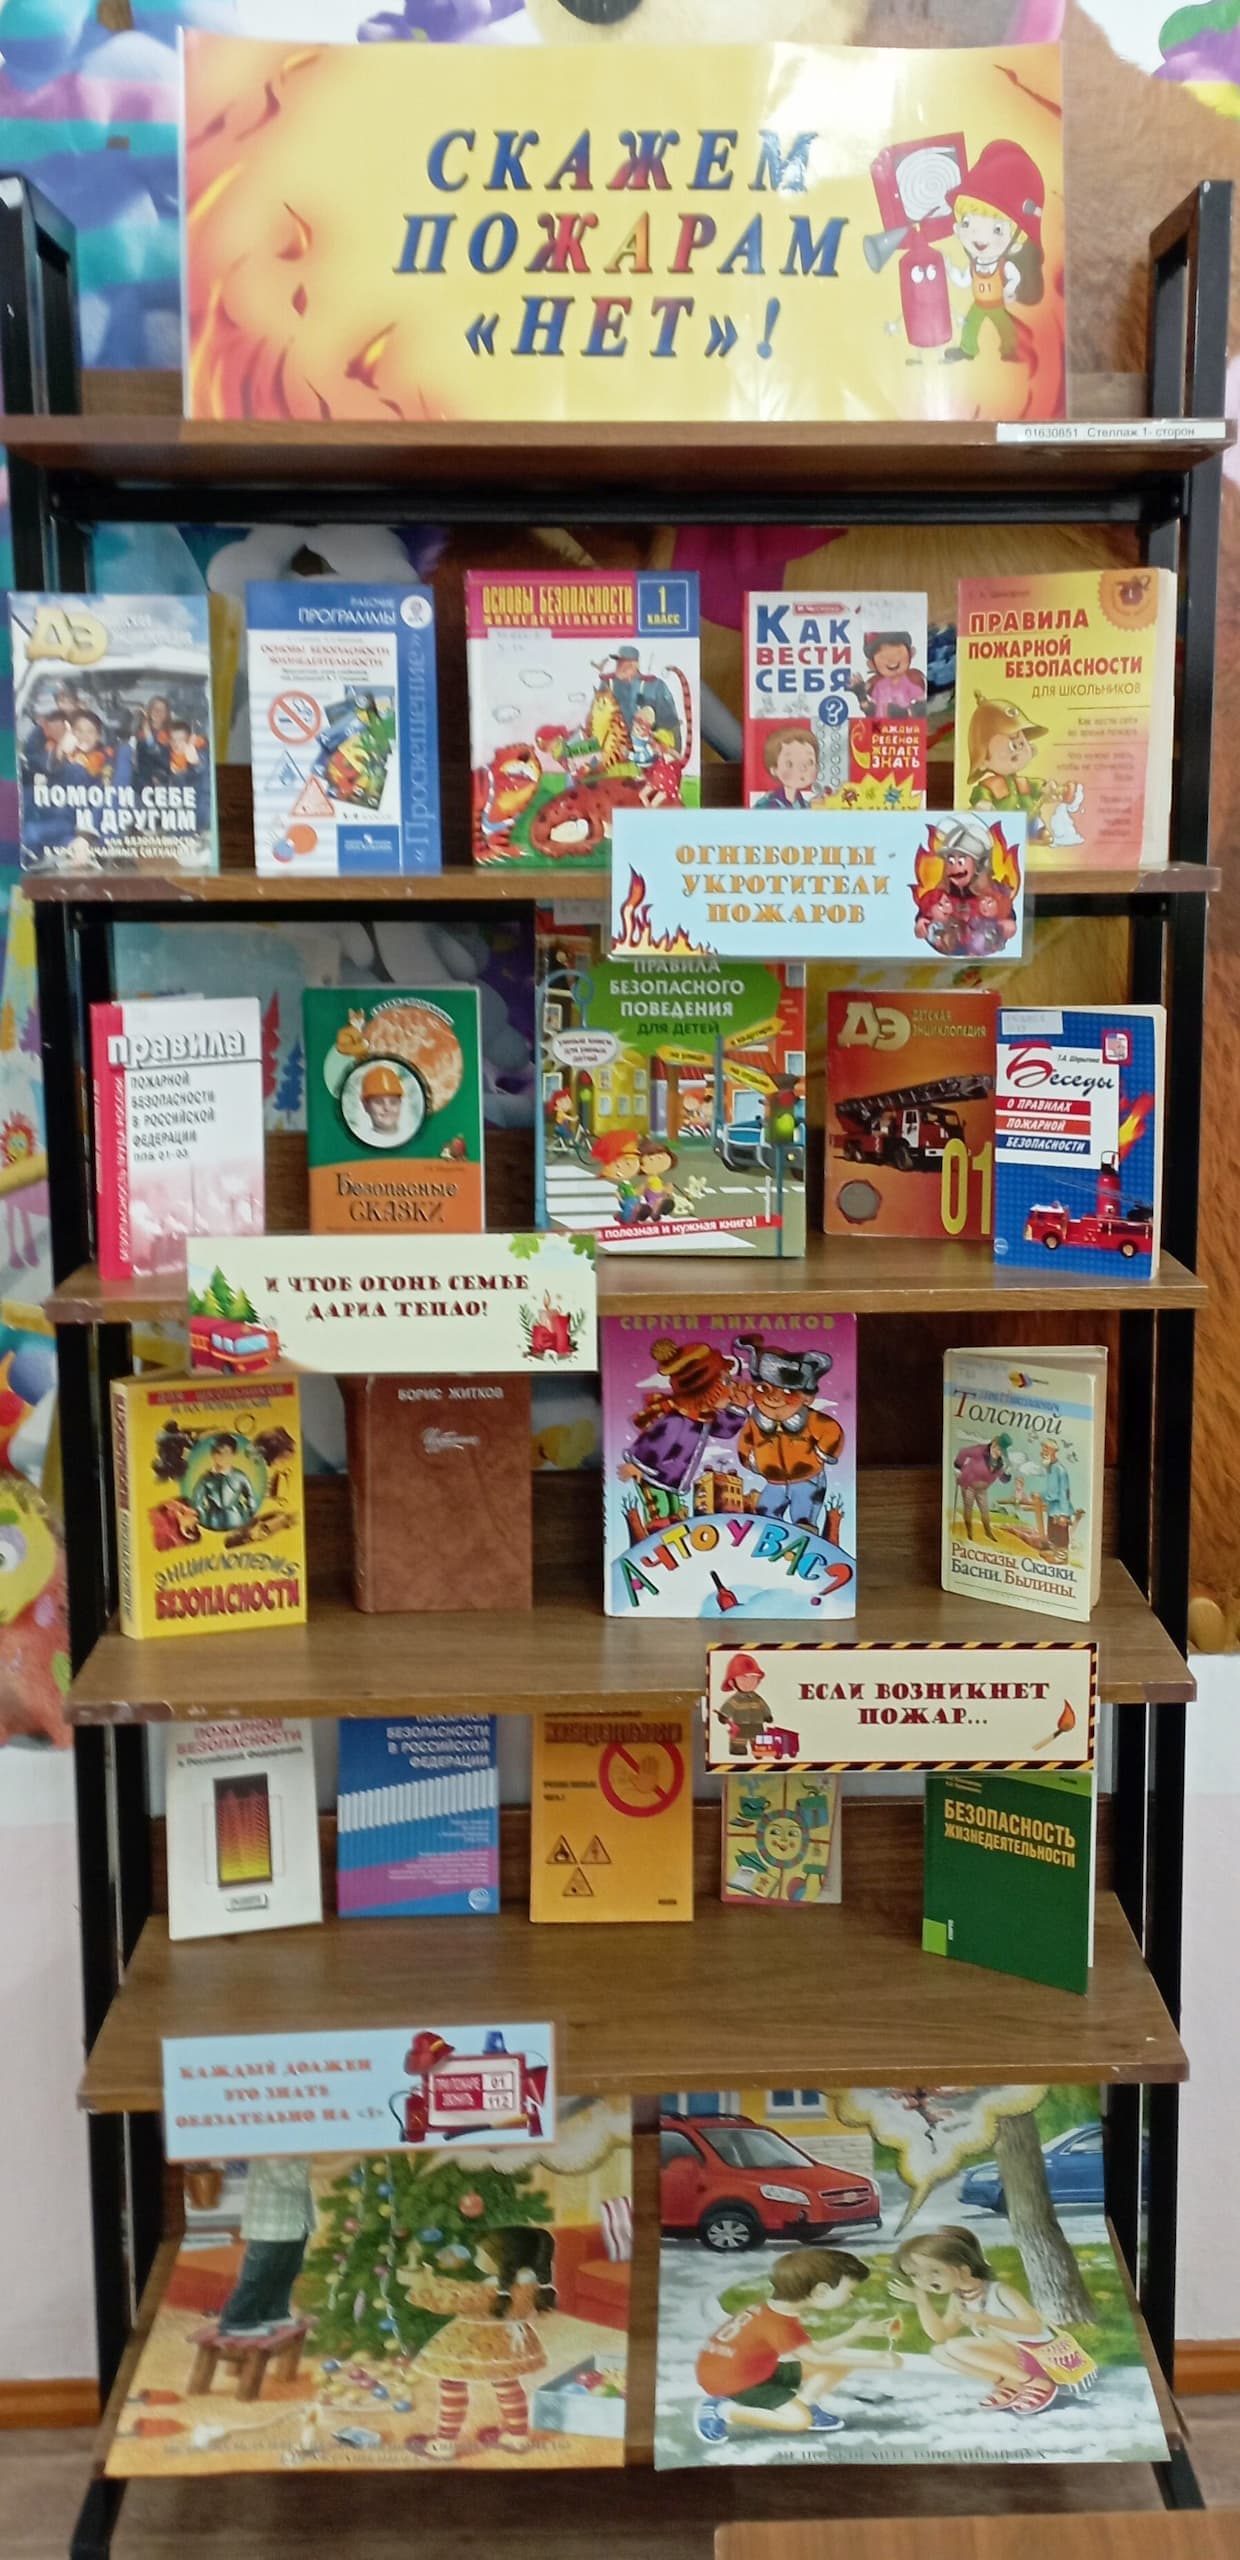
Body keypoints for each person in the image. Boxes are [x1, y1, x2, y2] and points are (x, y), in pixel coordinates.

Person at [694, 2245, 902, 2444]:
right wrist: (877, 2362)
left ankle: (804, 2404)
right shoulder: (779, 2324)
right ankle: (722, 2410)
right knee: (798, 2421)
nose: (850, 2297)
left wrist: (856, 2332)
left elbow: (814, 2351)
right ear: (821, 2290)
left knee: (836, 2366)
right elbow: (816, 2358)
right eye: (848, 2291)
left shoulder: (772, 2311)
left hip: (747, 2372)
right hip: (735, 2383)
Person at [888, 2225, 1096, 2419]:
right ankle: (1010, 2383)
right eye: (915, 2275)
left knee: (956, 2347)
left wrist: (986, 2319)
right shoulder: (959, 2298)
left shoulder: (999, 2291)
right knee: (940, 2351)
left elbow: (1034, 2327)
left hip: (1037, 2356)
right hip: (1011, 2358)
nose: (924, 2280)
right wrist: (922, 2301)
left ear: (963, 2270)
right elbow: (940, 2335)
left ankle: (1037, 2384)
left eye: (935, 2271)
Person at [410, 2225, 557, 2461]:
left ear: (503, 2260)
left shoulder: (489, 2291)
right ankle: (517, 2436)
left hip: (470, 2345)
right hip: (508, 2344)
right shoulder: (530, 2285)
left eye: (482, 2254)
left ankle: (445, 2442)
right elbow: (469, 2290)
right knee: (507, 2385)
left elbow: (448, 2300)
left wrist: (422, 2286)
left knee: (452, 2385)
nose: (477, 2258)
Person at [945, 138, 1045, 366]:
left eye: (997, 229)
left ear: (1017, 240)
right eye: (967, 223)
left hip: (997, 304)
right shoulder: (975, 264)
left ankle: (1009, 349)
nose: (978, 236)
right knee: (970, 324)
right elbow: (963, 279)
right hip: (979, 305)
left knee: (1005, 327)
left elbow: (1014, 278)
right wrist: (950, 269)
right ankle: (967, 349)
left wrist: (1010, 290)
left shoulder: (1003, 265)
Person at [733, 1336, 843, 1528]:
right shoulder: (755, 1422)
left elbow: (831, 1431)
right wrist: (750, 1460)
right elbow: (745, 1441)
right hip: (774, 1482)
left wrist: (822, 1452)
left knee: (803, 1520)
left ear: (806, 1399)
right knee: (766, 1515)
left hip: (807, 1479)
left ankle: (805, 1540)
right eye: (764, 1388)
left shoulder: (812, 1420)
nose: (773, 1398)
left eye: (787, 1392)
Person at [216, 2156, 315, 2341]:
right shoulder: (269, 2147)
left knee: (287, 2269)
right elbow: (287, 2178)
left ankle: (274, 2313)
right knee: (259, 2272)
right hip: (270, 2221)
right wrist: (321, 2164)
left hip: (297, 2219)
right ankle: (237, 2320)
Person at [598, 643, 682, 756]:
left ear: (634, 665)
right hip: (613, 748)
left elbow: (671, 724)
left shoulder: (655, 686)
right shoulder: (608, 684)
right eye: (618, 662)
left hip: (647, 750)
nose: (619, 666)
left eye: (623, 662)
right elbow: (597, 718)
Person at [952, 1430, 1012, 1541]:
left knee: (985, 1511)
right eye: (1000, 1450)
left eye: (1002, 1451)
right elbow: (963, 1452)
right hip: (968, 1484)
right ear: (994, 1445)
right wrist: (958, 1467)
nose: (1001, 1453)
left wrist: (1007, 1473)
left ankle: (988, 1533)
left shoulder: (999, 1463)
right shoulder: (981, 1450)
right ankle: (969, 1532)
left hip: (982, 1489)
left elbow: (1003, 1479)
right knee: (968, 1508)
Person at [194, 1432, 257, 1534]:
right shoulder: (205, 1479)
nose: (222, 1456)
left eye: (226, 1453)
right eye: (218, 1452)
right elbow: (197, 1502)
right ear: (212, 1454)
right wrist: (204, 1518)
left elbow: (251, 1497)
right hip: (213, 1521)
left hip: (237, 1519)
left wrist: (249, 1517)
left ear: (233, 1454)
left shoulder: (240, 1476)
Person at [861, 631, 926, 719]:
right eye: (883, 657)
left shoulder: (910, 682)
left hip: (904, 725)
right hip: (880, 724)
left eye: (898, 653)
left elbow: (921, 705)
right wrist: (861, 696)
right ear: (871, 664)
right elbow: (872, 707)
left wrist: (905, 713)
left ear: (911, 653)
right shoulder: (879, 685)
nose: (891, 661)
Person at [756, 723, 818, 810]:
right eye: (790, 764)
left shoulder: (804, 804)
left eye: (810, 762)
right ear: (774, 770)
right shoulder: (767, 805)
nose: (803, 768)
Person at [359, 1062, 405, 1139]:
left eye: (393, 1102)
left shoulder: (413, 1138)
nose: (387, 1108)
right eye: (379, 1102)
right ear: (365, 1106)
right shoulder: (361, 1140)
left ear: (400, 1103)